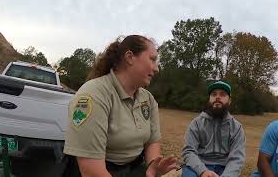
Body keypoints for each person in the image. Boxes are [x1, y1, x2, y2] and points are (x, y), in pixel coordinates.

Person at [63, 35, 179, 177]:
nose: (156, 69)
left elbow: (152, 141)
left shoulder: (147, 99)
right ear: (130, 57)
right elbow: (91, 171)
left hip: (133, 169)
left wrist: (152, 166)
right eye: (152, 59)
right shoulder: (94, 95)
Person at [181, 81, 246, 177]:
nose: (217, 97)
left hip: (225, 169)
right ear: (209, 99)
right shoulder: (197, 123)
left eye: (222, 94)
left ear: (229, 100)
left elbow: (237, 159)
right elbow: (189, 151)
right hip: (198, 166)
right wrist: (203, 171)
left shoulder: (236, 128)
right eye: (214, 94)